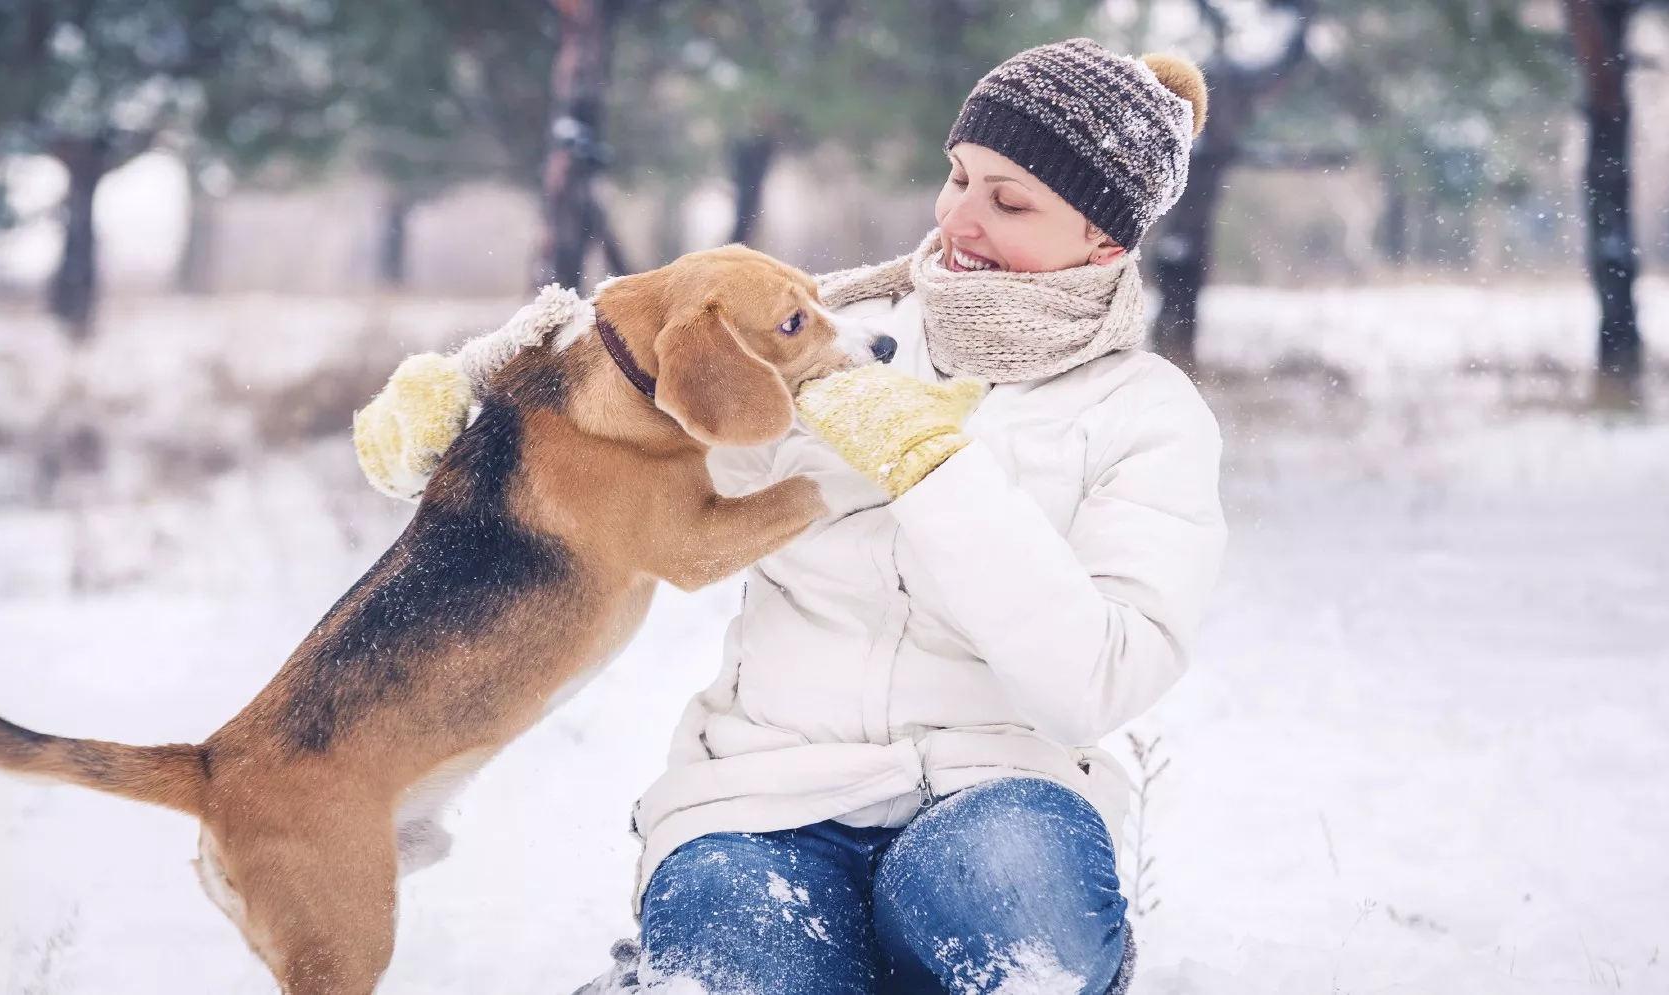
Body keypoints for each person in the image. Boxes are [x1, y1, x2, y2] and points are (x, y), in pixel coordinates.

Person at [354, 38, 1224, 995]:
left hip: (1003, 793)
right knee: (741, 966)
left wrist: (932, 468)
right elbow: (619, 450)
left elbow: (1090, 682)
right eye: (958, 176)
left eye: (1008, 200)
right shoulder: (830, 334)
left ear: (1106, 240)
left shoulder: (1145, 411)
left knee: (1012, 926)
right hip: (763, 794)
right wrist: (457, 428)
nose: (958, 218)